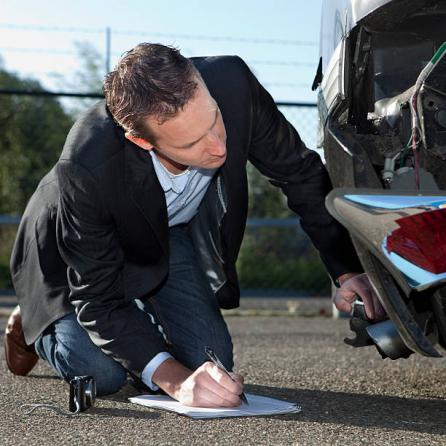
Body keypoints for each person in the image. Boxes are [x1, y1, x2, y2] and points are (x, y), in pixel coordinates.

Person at [5, 43, 383, 407]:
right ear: (141, 141)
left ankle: (132, 325)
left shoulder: (232, 82)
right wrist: (177, 382)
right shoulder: (86, 166)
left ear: (199, 80)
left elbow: (301, 175)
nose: (219, 147)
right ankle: (36, 322)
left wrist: (348, 271)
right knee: (102, 374)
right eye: (191, 144)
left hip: (164, 235)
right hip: (69, 254)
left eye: (214, 119)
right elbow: (98, 301)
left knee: (212, 363)